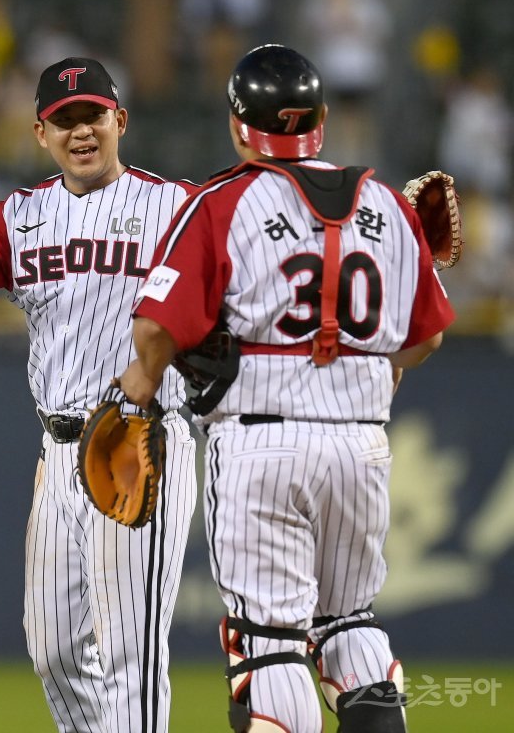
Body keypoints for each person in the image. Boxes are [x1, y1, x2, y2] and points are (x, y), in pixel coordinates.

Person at [118, 44, 456, 733]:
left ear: (238, 124)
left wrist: (142, 383)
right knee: (350, 624)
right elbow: (426, 339)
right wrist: (365, 370)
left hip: (261, 443)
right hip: (361, 447)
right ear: (321, 121)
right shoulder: (385, 204)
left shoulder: (222, 202)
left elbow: (155, 327)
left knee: (269, 643)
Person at [0, 56, 198, 733]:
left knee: (130, 652)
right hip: (58, 451)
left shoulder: (176, 206)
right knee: (53, 649)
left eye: (93, 116)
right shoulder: (20, 216)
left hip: (138, 441)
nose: (80, 131)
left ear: (120, 121)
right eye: (65, 120)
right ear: (40, 133)